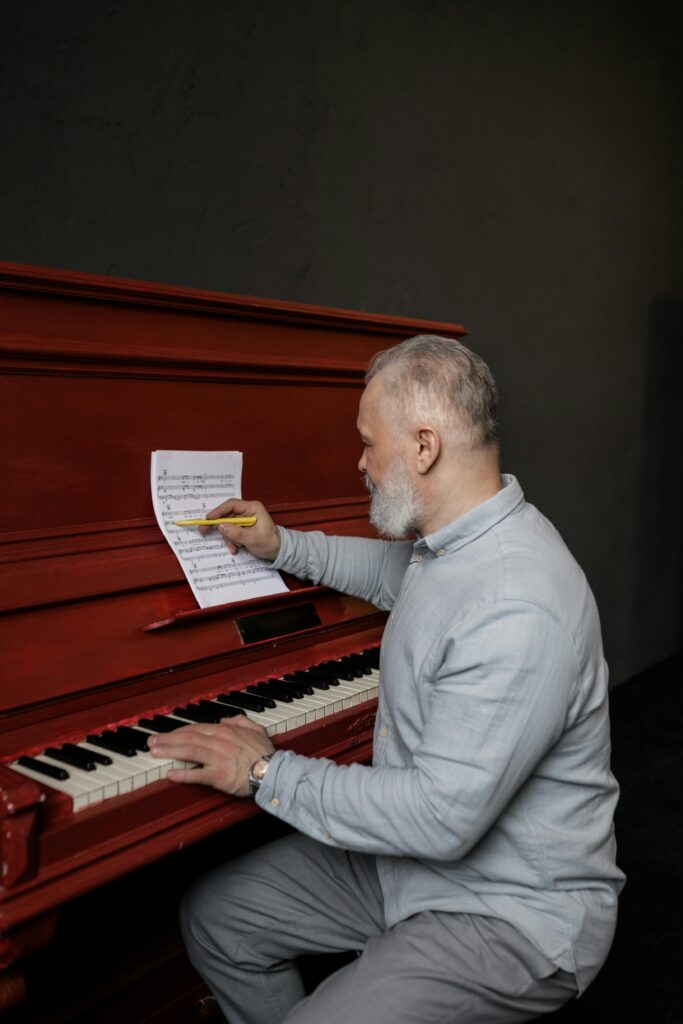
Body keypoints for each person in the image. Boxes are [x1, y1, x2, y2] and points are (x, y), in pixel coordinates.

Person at [148, 335, 624, 1024]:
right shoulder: (458, 542)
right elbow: (385, 573)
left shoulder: (518, 603)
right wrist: (279, 545)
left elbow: (437, 820)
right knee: (220, 916)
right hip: (417, 864)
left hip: (511, 912)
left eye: (370, 442)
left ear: (424, 446)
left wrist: (264, 773)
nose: (361, 462)